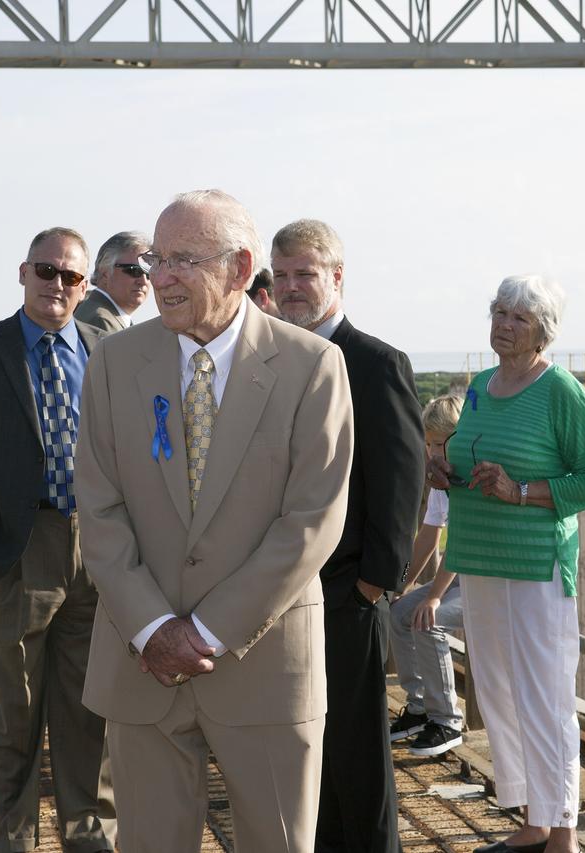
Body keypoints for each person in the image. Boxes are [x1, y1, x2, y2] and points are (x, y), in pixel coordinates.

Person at [76, 190, 354, 853]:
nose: (160, 276)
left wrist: (204, 629)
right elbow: (100, 507)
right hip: (141, 663)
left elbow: (312, 520)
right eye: (156, 258)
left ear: (239, 267)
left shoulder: (313, 366)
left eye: (184, 260)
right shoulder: (115, 361)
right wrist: (151, 626)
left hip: (264, 663)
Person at [0, 227, 117, 853]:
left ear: (84, 285)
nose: (56, 284)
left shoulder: (106, 349)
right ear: (22, 272)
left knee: (93, 713)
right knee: (14, 715)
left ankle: (91, 839)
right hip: (15, 548)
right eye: (45, 270)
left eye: (70, 276)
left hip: (97, 548)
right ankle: (12, 840)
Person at [430, 275, 585, 853]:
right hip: (478, 555)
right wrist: (445, 471)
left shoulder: (561, 389)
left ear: (543, 331)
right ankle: (532, 819)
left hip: (535, 565)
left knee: (544, 696)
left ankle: (560, 830)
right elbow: (469, 450)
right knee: (499, 691)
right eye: (499, 312)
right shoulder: (482, 385)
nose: (504, 325)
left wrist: (522, 491)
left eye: (519, 318)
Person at [270, 218, 425, 853]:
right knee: (304, 742)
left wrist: (373, 585)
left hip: (346, 592)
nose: (291, 289)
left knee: (357, 749)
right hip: (279, 588)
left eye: (304, 274)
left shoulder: (376, 362)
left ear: (336, 278)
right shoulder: (273, 357)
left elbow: (401, 479)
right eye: (279, 277)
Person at [388, 393, 465, 757]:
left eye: (439, 444)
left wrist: (433, 596)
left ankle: (447, 719)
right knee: (400, 612)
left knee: (427, 619)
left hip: (480, 577)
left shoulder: (466, 478)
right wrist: (402, 583)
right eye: (428, 444)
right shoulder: (438, 480)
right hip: (458, 573)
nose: (432, 452)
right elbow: (430, 535)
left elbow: (462, 544)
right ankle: (419, 707)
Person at [74, 230, 151, 332]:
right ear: (105, 273)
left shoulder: (98, 312)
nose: (143, 280)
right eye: (134, 270)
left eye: (149, 273)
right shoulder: (100, 321)